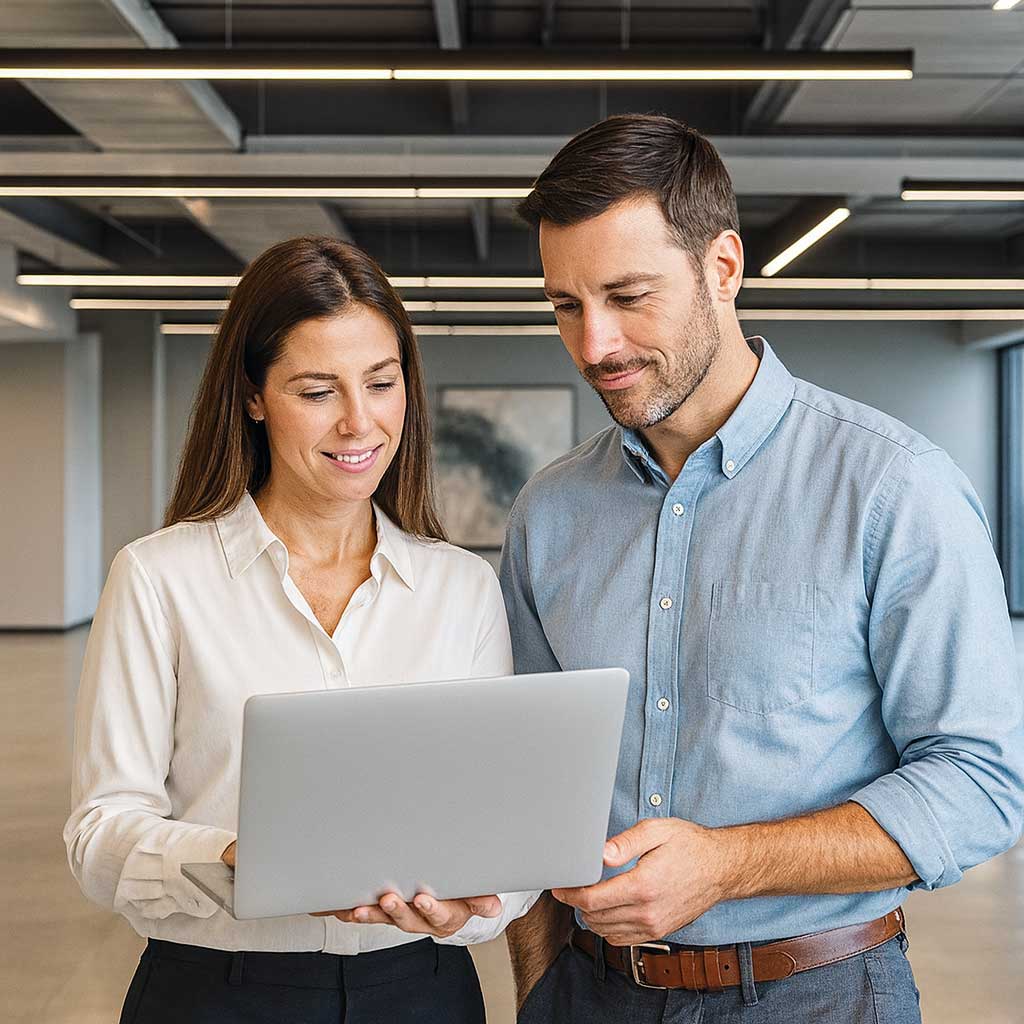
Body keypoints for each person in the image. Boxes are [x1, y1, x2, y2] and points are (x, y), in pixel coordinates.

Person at [500, 114, 1024, 1023]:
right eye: (565, 305)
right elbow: (524, 777)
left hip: (816, 993)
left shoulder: (894, 488)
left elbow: (980, 780)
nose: (595, 347)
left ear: (725, 268)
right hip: (587, 993)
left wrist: (727, 863)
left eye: (628, 296)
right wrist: (541, 985)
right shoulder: (549, 513)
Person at [64, 236, 537, 1024]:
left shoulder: (460, 588)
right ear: (253, 396)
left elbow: (501, 837)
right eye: (318, 391)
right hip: (216, 992)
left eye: (381, 383)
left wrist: (474, 912)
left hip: (418, 993)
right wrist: (229, 856)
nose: (360, 422)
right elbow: (98, 832)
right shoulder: (160, 578)